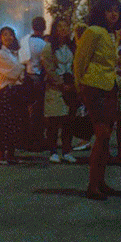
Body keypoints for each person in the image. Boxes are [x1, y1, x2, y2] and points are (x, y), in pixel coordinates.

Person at [73, 0, 121, 200]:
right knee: (102, 133)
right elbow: (80, 60)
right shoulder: (93, 31)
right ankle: (92, 185)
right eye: (109, 10)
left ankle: (100, 181)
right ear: (101, 12)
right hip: (93, 87)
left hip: (109, 86)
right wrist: (80, 86)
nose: (114, 14)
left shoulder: (111, 34)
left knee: (106, 136)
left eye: (117, 11)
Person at [41, 18, 76, 163]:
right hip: (55, 88)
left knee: (69, 121)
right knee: (54, 121)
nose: (63, 29)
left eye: (65, 26)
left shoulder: (72, 47)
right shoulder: (49, 48)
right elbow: (49, 69)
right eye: (59, 26)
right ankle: (53, 151)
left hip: (70, 87)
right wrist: (61, 84)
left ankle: (67, 150)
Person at [0, 27, 27, 165]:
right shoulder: (0, 55)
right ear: (0, 37)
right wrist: (22, 66)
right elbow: (12, 73)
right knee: (4, 123)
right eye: (5, 35)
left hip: (15, 91)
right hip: (6, 91)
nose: (8, 37)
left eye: (11, 35)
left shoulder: (13, 54)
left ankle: (11, 154)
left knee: (14, 123)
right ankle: (1, 155)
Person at [23, 16, 48, 150]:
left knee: (28, 109)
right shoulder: (44, 45)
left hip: (27, 77)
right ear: (44, 28)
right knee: (38, 111)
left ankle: (27, 139)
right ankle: (37, 139)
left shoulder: (25, 41)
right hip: (38, 79)